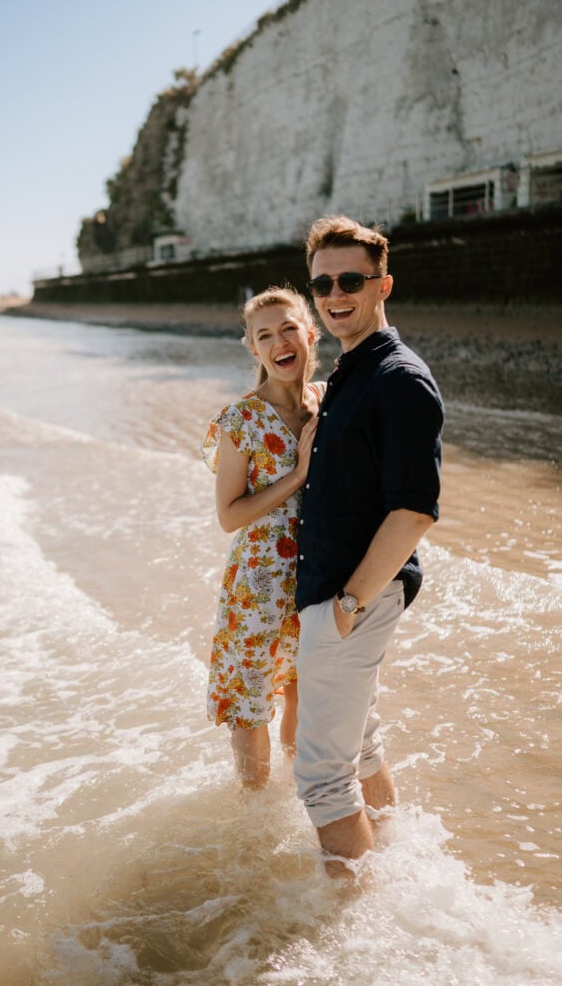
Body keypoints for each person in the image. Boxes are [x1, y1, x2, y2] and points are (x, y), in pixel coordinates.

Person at [293, 215, 444, 872]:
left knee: (321, 780)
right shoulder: (352, 369)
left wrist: (347, 605)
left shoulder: (398, 379)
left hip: (351, 595)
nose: (334, 294)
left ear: (383, 284)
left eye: (350, 279)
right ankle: (394, 858)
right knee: (360, 750)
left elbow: (413, 511)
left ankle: (350, 932)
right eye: (322, 283)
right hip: (338, 592)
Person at [202, 286, 326, 788]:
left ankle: (303, 798)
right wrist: (296, 474)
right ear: (254, 350)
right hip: (257, 585)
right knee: (251, 705)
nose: (280, 342)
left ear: (310, 334)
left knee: (303, 693)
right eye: (265, 335)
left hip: (316, 576)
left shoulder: (325, 401)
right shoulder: (241, 421)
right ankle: (253, 820)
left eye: (289, 328)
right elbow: (229, 517)